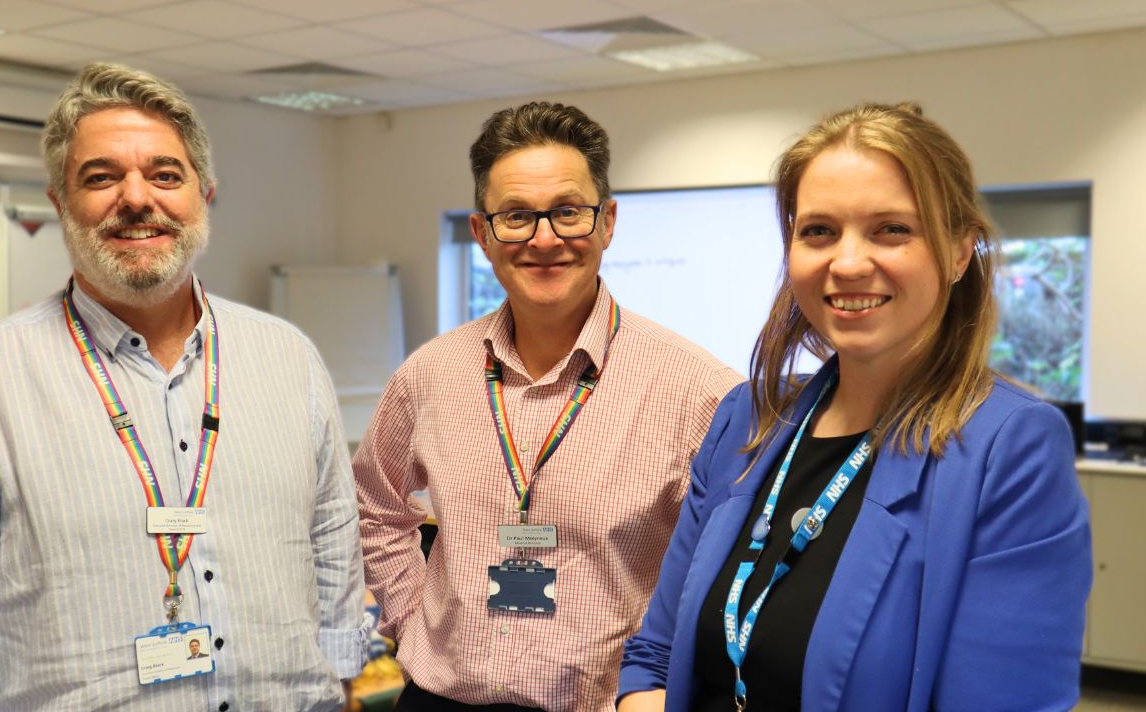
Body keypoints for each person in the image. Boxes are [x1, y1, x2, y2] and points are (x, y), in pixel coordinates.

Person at [0, 62, 366, 711]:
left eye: (165, 174)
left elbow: (333, 548)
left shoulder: (288, 360)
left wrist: (343, 676)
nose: (136, 198)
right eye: (101, 177)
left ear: (203, 194)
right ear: (59, 202)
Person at [617, 102, 1092, 712]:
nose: (847, 263)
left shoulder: (1010, 450)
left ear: (957, 251)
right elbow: (656, 655)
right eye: (819, 231)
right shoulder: (750, 417)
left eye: (892, 229)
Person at [354, 101, 743, 712]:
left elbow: (727, 571)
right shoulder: (430, 374)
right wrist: (413, 626)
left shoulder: (700, 392)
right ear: (482, 233)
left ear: (608, 222)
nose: (544, 239)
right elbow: (374, 507)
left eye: (567, 212)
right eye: (517, 216)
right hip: (441, 700)